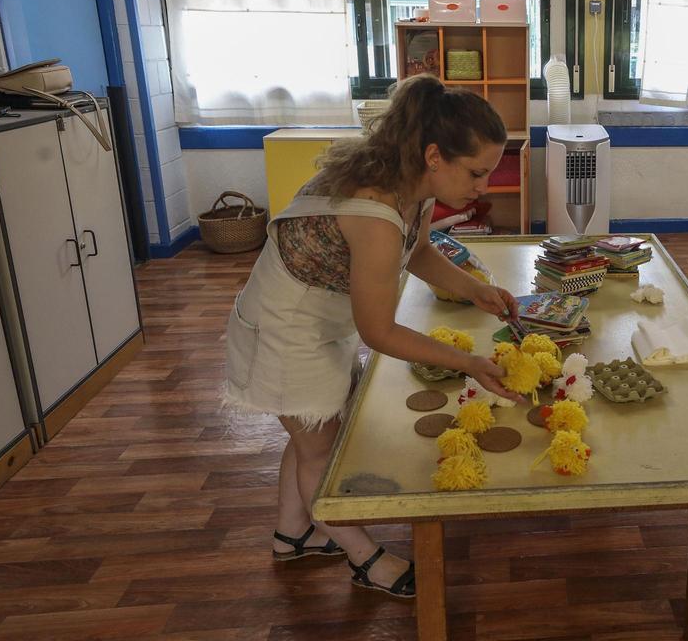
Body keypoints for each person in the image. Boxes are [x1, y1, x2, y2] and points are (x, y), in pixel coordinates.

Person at [223, 74, 525, 597]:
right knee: (320, 446)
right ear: (435, 155)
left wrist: (474, 288)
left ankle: (292, 535)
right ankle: (364, 557)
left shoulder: (412, 184)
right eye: (477, 173)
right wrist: (471, 363)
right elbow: (380, 331)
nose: (484, 187)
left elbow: (421, 251)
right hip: (284, 327)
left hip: (316, 319)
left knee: (311, 431)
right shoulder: (375, 213)